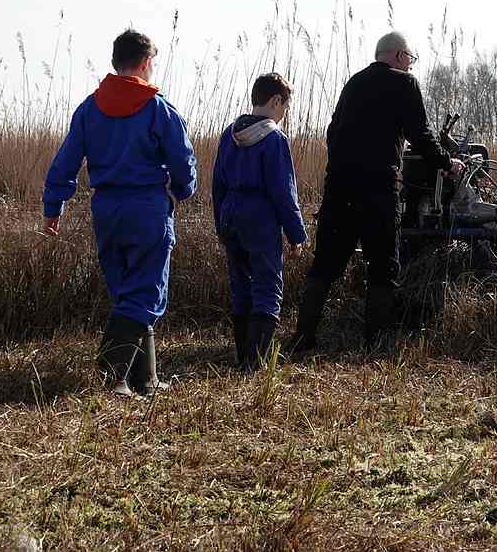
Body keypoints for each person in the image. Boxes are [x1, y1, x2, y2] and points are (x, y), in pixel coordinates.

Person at [283, 31, 464, 353]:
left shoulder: (354, 82)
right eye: (410, 59)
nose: (410, 65)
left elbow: (332, 131)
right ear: (399, 56)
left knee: (325, 264)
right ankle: (374, 344)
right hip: (378, 189)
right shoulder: (405, 83)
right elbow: (420, 134)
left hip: (339, 187)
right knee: (383, 266)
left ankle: (304, 337)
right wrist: (446, 163)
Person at [43, 29, 197, 397]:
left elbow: (65, 161)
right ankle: (109, 378)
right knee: (145, 294)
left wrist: (53, 206)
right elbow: (183, 160)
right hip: (147, 209)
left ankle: (145, 380)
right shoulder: (158, 108)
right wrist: (182, 190)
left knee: (127, 293)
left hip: (107, 210)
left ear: (116, 62)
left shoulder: (89, 108)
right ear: (146, 63)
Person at [212, 73, 307, 371]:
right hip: (260, 217)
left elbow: (217, 184)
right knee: (267, 286)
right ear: (276, 101)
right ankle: (256, 362)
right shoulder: (275, 139)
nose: (284, 114)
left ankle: (242, 355)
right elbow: (283, 192)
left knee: (241, 285)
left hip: (230, 214)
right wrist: (296, 234)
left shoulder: (229, 134)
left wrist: (220, 224)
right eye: (285, 107)